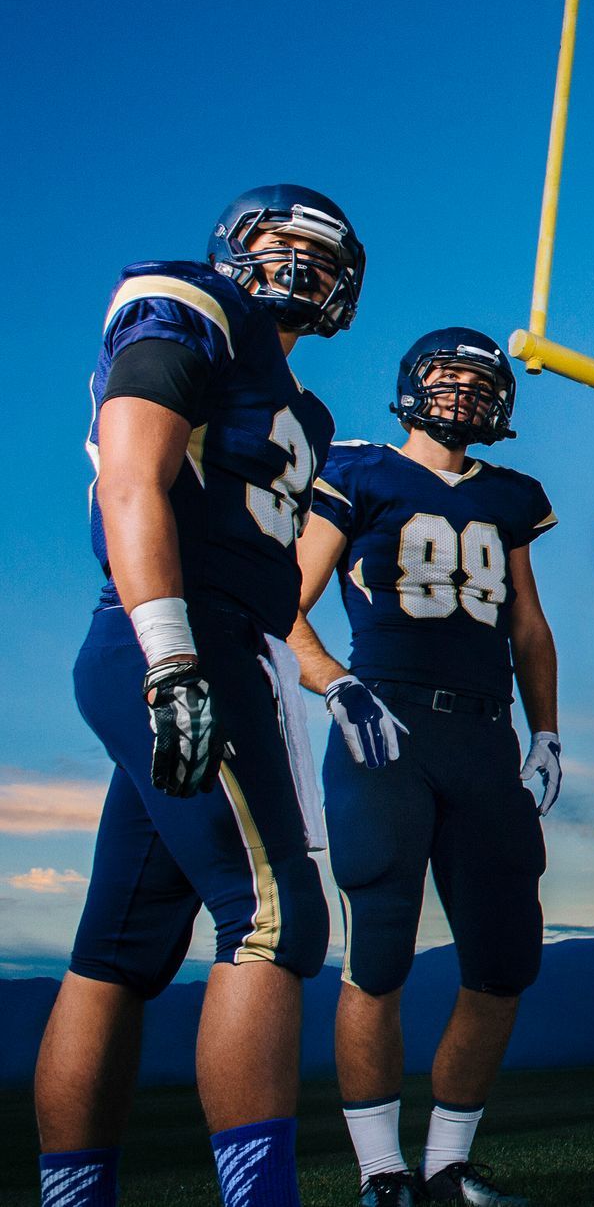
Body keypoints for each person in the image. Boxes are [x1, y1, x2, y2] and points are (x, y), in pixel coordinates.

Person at [39, 185, 364, 1207]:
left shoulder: (304, 408)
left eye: (322, 254)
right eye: (280, 243)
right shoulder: (186, 302)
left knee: (120, 948)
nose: (300, 265)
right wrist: (171, 652)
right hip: (171, 632)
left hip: (222, 644)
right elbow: (133, 474)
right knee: (275, 919)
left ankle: (71, 1198)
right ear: (233, 246)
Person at [289, 329, 560, 1204]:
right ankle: (380, 1174)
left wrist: (546, 730)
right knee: (378, 954)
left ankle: (447, 1164)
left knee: (506, 955)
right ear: (410, 384)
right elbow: (283, 603)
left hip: (484, 736)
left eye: (482, 384)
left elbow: (527, 625)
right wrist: (337, 686)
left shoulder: (513, 495)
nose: (464, 395)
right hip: (384, 728)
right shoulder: (359, 471)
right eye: (447, 377)